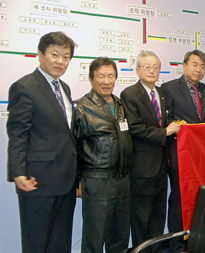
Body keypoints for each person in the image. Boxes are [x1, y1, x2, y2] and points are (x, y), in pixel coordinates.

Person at [6, 31, 77, 252]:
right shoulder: (25, 87)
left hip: (65, 180)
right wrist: (18, 172)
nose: (60, 61)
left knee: (60, 241)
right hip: (38, 180)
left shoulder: (64, 88)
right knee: (37, 243)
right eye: (55, 54)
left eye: (66, 57)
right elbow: (18, 132)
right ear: (40, 54)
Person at [120, 51, 180, 253]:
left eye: (155, 67)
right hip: (141, 167)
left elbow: (166, 120)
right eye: (147, 67)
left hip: (162, 165)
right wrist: (165, 132)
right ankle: (140, 250)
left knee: (157, 213)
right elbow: (135, 128)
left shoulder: (162, 93)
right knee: (140, 216)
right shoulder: (129, 94)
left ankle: (155, 249)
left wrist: (177, 125)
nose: (152, 70)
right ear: (137, 70)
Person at [74, 57, 133, 253]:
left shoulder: (120, 105)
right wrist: (77, 181)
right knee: (95, 238)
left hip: (122, 179)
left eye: (110, 76)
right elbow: (73, 147)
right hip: (97, 181)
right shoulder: (82, 108)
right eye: (101, 76)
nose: (106, 81)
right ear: (91, 79)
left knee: (120, 237)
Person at [161, 50, 205, 253]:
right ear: (184, 66)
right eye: (195, 64)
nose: (198, 69)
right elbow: (162, 119)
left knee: (203, 196)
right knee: (179, 197)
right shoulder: (168, 88)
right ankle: (176, 245)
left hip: (203, 155)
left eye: (203, 66)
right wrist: (176, 124)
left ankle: (198, 241)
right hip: (180, 152)